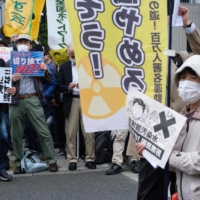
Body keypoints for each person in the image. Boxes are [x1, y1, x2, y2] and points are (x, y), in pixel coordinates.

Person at [137, 55, 200, 200]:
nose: (186, 83)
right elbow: (174, 161)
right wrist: (151, 150)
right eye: (182, 78)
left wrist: (169, 156)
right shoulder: (183, 118)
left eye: (193, 78)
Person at [7, 34, 58, 174]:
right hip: (16, 100)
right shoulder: (9, 62)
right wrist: (10, 80)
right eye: (20, 42)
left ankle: (51, 160)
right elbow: (3, 84)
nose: (23, 44)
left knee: (43, 131)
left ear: (30, 45)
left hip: (33, 98)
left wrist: (45, 69)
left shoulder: (37, 59)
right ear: (16, 45)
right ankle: (18, 163)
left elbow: (49, 80)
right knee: (16, 134)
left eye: (25, 42)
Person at [57, 43, 96, 171]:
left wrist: (84, 86)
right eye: (71, 54)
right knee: (71, 132)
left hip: (86, 100)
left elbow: (96, 82)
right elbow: (59, 85)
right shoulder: (64, 67)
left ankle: (90, 158)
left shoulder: (88, 65)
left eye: (75, 54)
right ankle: (72, 159)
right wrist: (68, 87)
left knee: (89, 132)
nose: (73, 56)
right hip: (71, 100)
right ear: (68, 53)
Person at [0, 58, 13, 181]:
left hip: (0, 109)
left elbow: (5, 84)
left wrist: (11, 89)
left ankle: (2, 168)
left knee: (4, 136)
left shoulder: (1, 62)